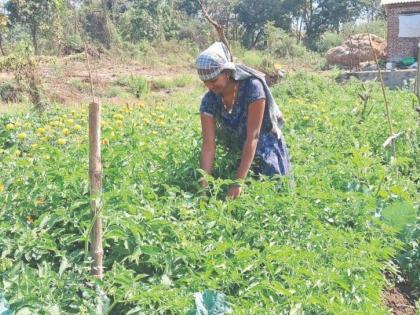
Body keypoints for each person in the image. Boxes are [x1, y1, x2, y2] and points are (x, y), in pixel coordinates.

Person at [196, 42, 291, 199]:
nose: (210, 86)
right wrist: (203, 190)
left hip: (265, 149)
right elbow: (208, 146)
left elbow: (253, 136)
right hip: (238, 153)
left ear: (226, 72)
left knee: (273, 199)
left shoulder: (252, 88)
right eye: (205, 82)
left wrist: (238, 182)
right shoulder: (209, 100)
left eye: (213, 80)